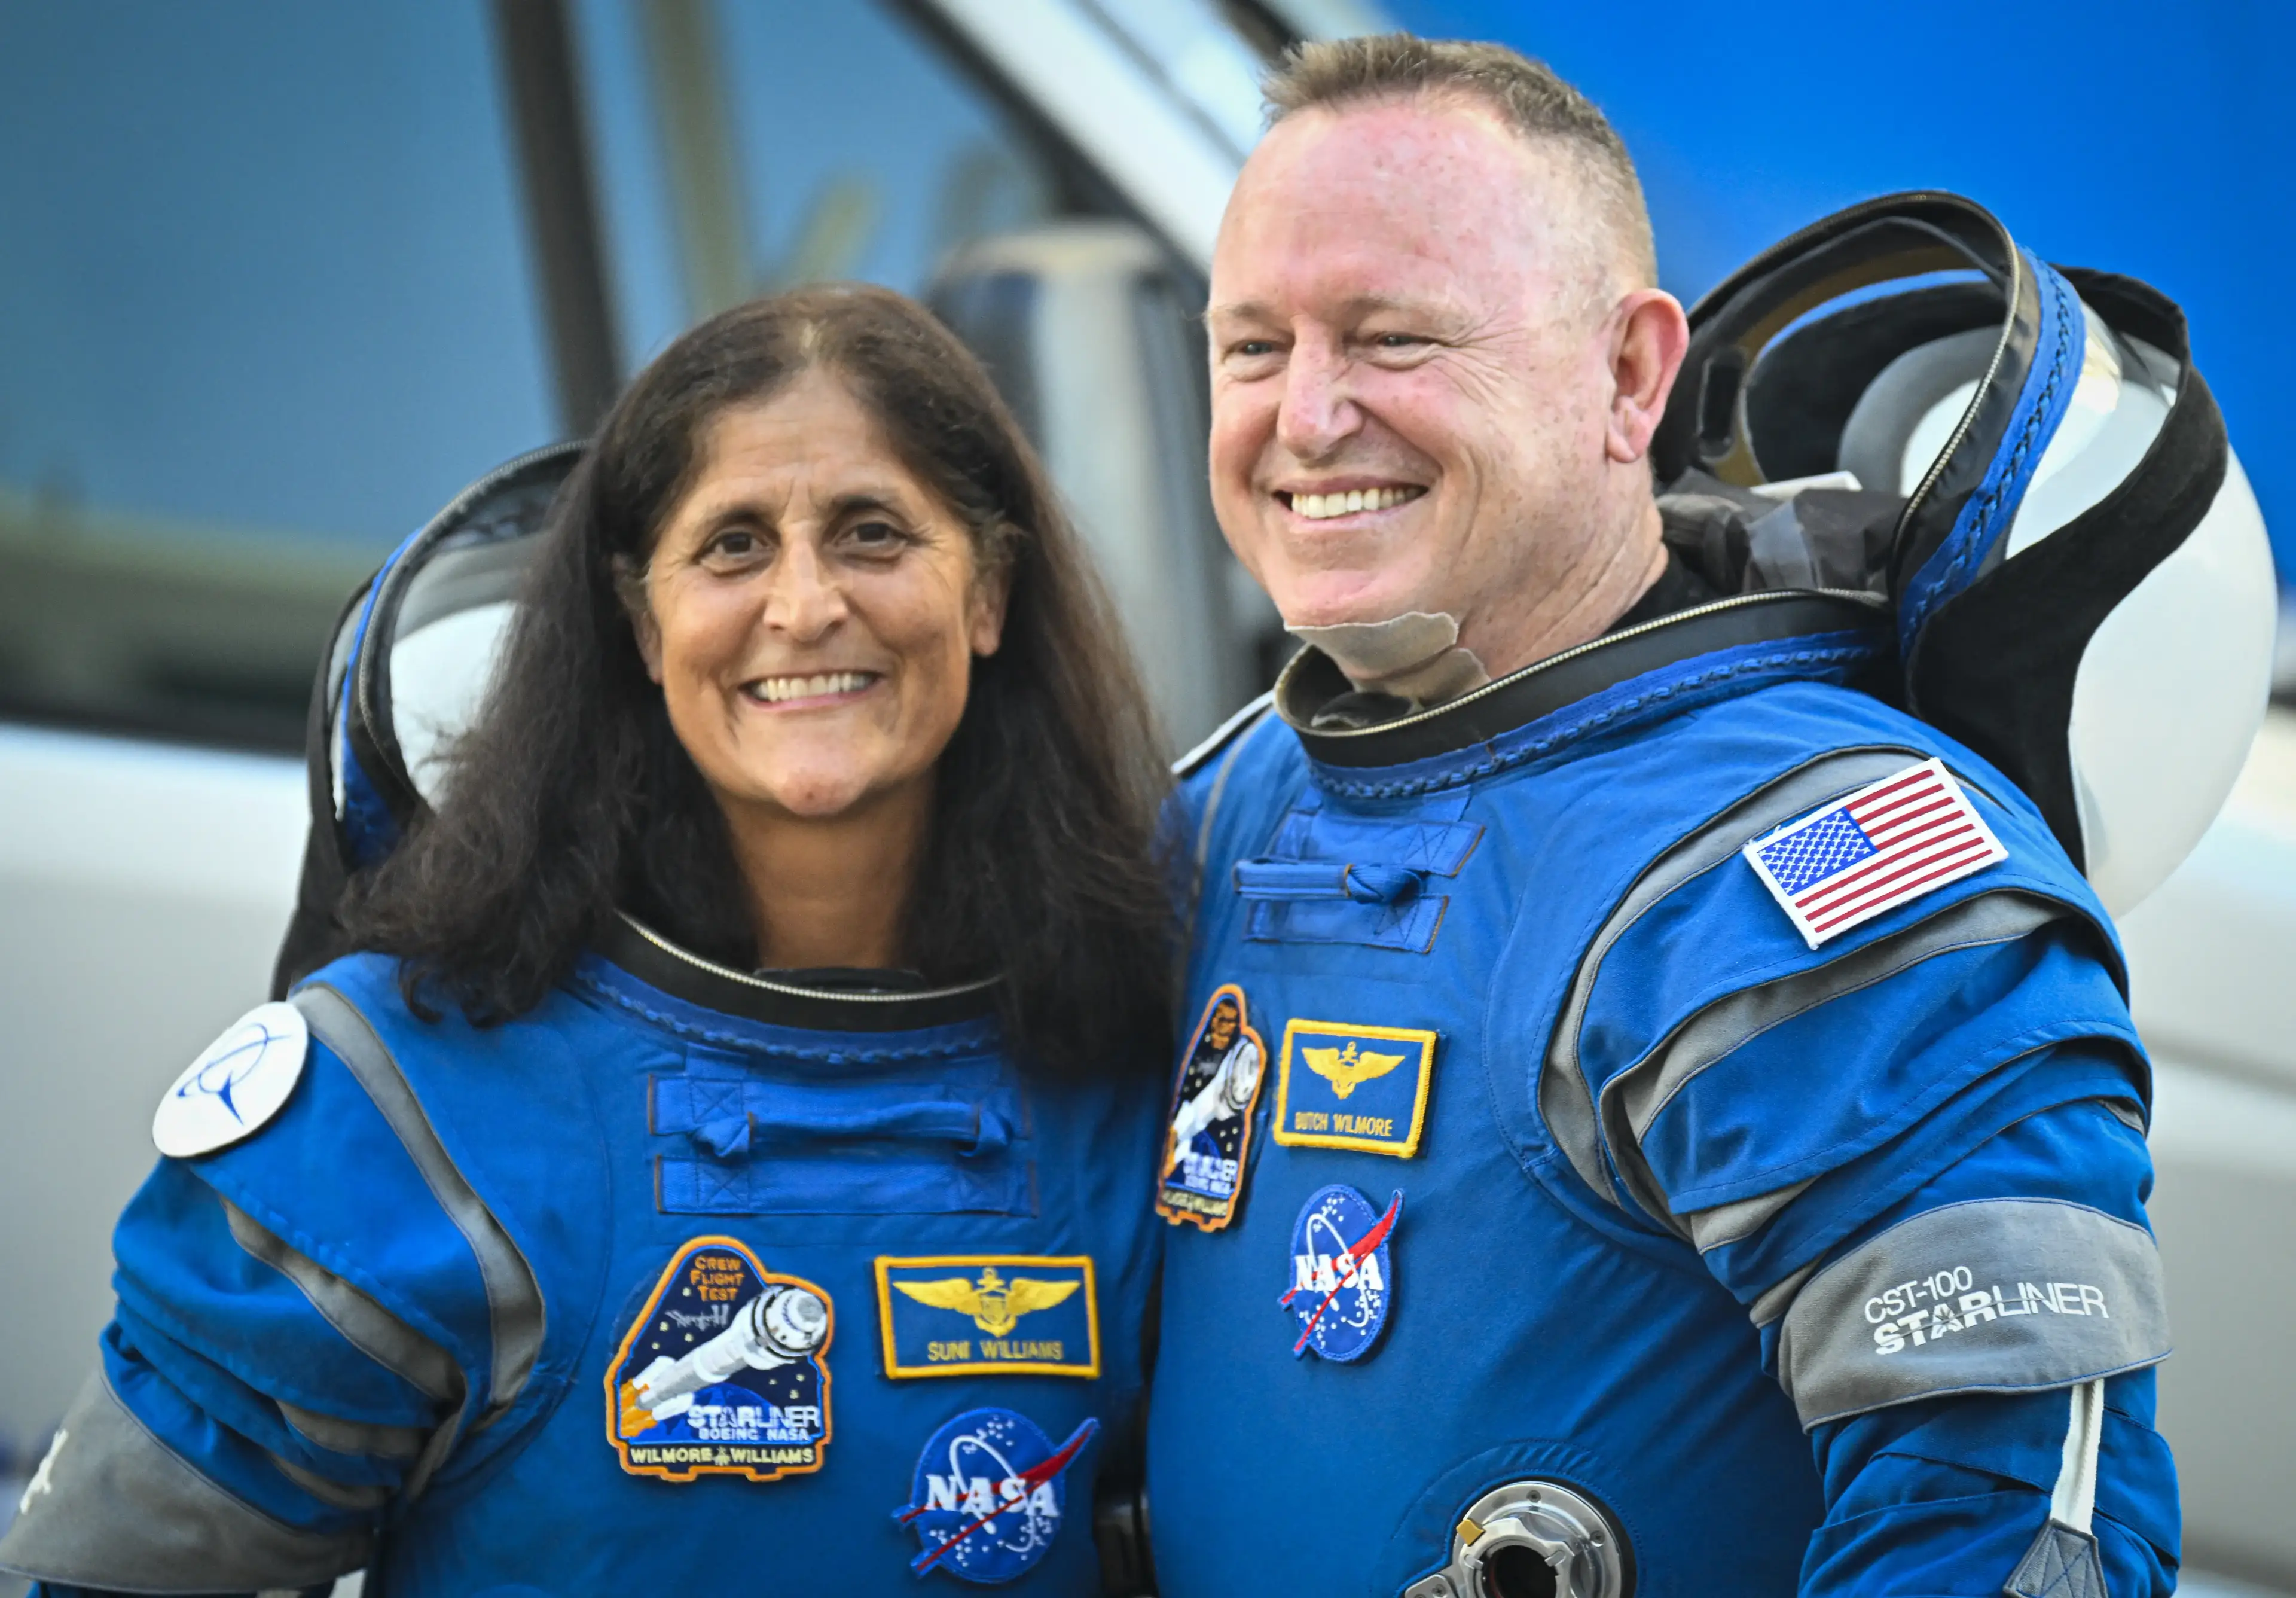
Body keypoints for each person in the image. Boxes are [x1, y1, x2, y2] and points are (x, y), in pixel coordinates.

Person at [1144, 36, 2184, 1598]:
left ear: (1631, 375)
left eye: (1392, 337)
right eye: (1251, 346)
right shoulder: (1241, 795)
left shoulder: (1821, 867)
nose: (1304, 414)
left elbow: (2005, 1532)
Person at [0, 285, 1175, 1594]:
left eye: (872, 533)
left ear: (990, 590)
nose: (803, 605)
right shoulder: (405, 1103)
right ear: (642, 624)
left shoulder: (1130, 1078)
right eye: (733, 545)